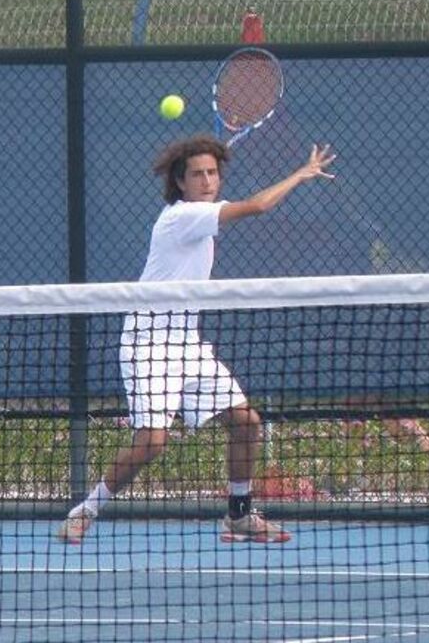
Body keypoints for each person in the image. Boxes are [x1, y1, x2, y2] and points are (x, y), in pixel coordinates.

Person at [56, 134, 336, 545]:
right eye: (197, 174)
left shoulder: (200, 216)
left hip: (187, 343)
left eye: (212, 173)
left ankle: (239, 515)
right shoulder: (183, 217)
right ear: (180, 182)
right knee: (151, 443)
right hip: (149, 343)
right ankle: (85, 510)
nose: (207, 181)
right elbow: (258, 206)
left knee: (246, 423)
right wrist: (300, 174)